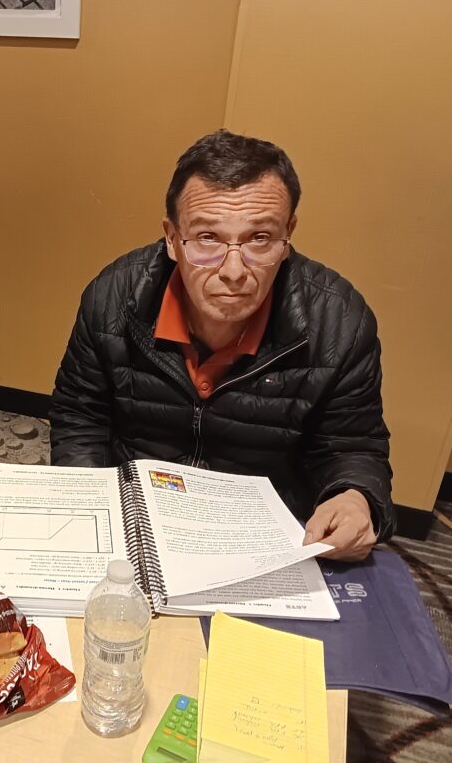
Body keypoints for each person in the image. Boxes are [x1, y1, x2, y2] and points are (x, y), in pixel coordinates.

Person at [49, 130, 393, 560]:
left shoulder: (339, 322)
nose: (233, 270)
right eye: (208, 238)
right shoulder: (114, 297)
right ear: (173, 239)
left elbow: (352, 446)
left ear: (288, 235)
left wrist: (355, 496)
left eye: (259, 239)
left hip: (263, 535)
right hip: (133, 518)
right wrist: (88, 505)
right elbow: (81, 416)